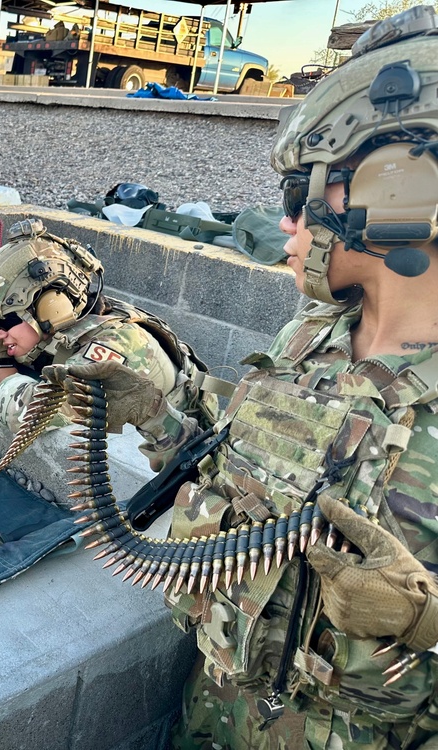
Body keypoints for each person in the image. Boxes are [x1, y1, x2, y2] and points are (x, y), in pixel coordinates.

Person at [43, 6, 438, 748]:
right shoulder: (311, 336)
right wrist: (159, 403)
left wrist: (426, 617)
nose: (285, 226)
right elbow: (241, 471)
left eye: (302, 196)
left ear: (402, 189)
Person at [0, 218, 220, 469]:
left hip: (190, 460)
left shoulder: (115, 345)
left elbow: (25, 415)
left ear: (50, 309)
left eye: (6, 324)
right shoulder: (44, 321)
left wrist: (1, 364)